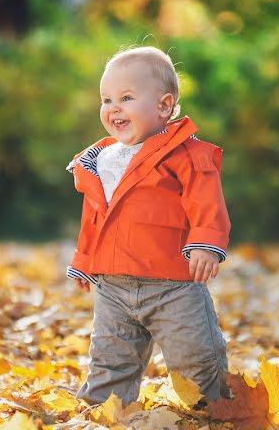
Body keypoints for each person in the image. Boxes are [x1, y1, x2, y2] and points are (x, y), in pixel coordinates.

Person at [65, 46, 232, 406]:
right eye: (106, 99)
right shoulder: (101, 161)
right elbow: (97, 215)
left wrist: (205, 243)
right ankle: (102, 415)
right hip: (113, 286)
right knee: (110, 359)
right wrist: (84, 259)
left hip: (173, 285)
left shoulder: (185, 155)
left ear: (164, 106)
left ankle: (216, 412)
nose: (113, 108)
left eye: (126, 97)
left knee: (195, 358)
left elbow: (205, 200)